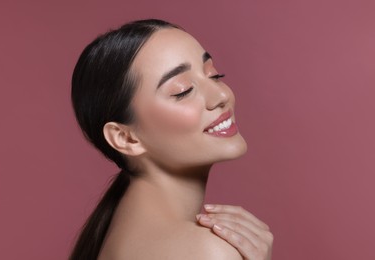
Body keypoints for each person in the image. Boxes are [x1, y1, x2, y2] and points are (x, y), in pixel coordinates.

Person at [70, 19, 273, 260]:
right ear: (126, 138)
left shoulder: (119, 234)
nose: (221, 95)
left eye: (214, 75)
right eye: (183, 90)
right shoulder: (207, 252)